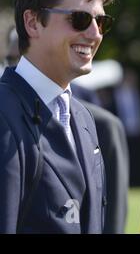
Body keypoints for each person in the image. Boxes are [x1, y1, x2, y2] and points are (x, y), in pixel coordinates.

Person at [0, 0, 117, 233]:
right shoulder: (3, 113)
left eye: (101, 21)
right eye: (79, 19)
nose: (94, 33)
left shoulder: (83, 117)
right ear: (32, 23)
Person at [3, 26, 129, 234]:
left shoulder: (98, 123)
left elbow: (111, 215)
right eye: (11, 60)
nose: (18, 67)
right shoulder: (6, 113)